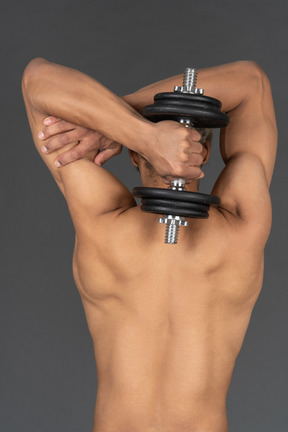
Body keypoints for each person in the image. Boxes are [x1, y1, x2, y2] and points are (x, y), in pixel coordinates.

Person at [22, 58, 277, 432]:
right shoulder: (104, 222)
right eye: (156, 143)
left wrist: (118, 124)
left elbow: (252, 82)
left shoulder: (104, 224)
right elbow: (35, 79)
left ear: (202, 153)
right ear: (136, 153)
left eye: (183, 139)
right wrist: (143, 131)